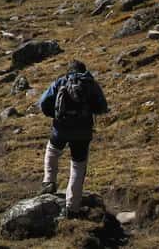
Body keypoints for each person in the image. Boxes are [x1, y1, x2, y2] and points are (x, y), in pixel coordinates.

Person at [38, 60, 109, 218]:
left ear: (68, 70)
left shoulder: (61, 81)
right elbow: (103, 106)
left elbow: (43, 102)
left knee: (53, 150)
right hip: (83, 131)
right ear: (85, 70)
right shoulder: (90, 84)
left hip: (61, 127)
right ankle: (72, 207)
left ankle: (49, 182)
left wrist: (54, 114)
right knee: (78, 165)